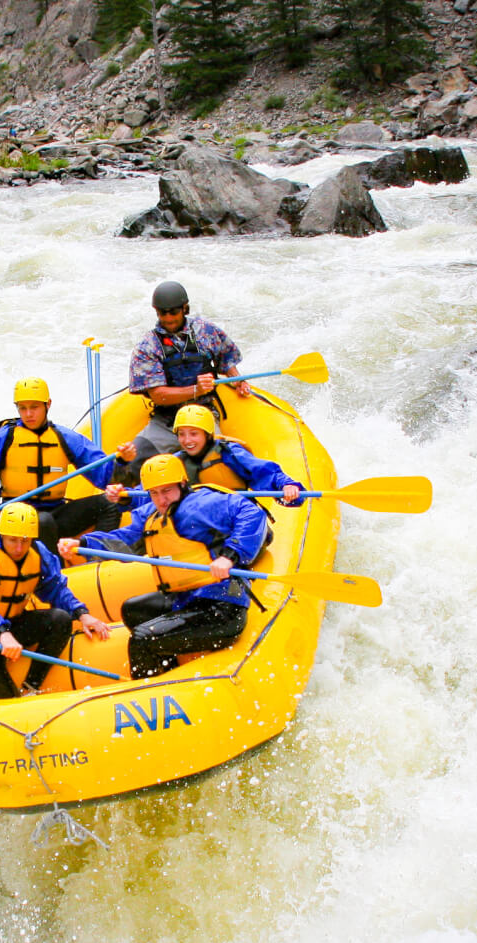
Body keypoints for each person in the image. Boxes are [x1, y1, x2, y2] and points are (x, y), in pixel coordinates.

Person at [58, 454, 269, 680]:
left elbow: (252, 514)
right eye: (155, 493)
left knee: (141, 638)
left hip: (222, 607)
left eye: (167, 490)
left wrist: (230, 555)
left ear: (182, 484)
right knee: (133, 609)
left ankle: (147, 688)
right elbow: (124, 536)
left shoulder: (204, 504)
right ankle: (168, 669)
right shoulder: (152, 513)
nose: (161, 499)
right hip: (187, 599)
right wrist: (83, 543)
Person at [0, 502, 111, 699]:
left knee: (60, 619)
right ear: (1, 534)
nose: (19, 547)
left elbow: (55, 588)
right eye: (13, 540)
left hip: (10, 623)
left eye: (25, 540)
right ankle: (11, 702)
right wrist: (1, 632)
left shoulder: (37, 552)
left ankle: (31, 686)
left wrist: (82, 614)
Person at [0, 377, 135, 545]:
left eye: (34, 407)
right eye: (22, 408)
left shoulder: (64, 437)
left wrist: (121, 461)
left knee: (109, 505)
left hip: (57, 511)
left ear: (47, 404)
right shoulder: (4, 438)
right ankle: (54, 568)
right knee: (43, 521)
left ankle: (100, 557)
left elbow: (104, 476)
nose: (28, 414)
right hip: (19, 518)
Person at [124, 280, 255, 475]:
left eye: (173, 312)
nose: (168, 318)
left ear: (185, 308)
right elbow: (158, 394)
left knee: (223, 469)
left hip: (203, 417)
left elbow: (226, 361)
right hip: (166, 421)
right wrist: (196, 389)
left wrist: (238, 381)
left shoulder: (206, 331)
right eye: (162, 312)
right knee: (130, 468)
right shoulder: (148, 346)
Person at [169, 404, 303, 504]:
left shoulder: (228, 452)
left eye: (194, 434)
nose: (187, 440)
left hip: (237, 515)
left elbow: (262, 471)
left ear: (207, 434)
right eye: (181, 434)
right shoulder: (176, 462)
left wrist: (286, 485)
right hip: (203, 522)